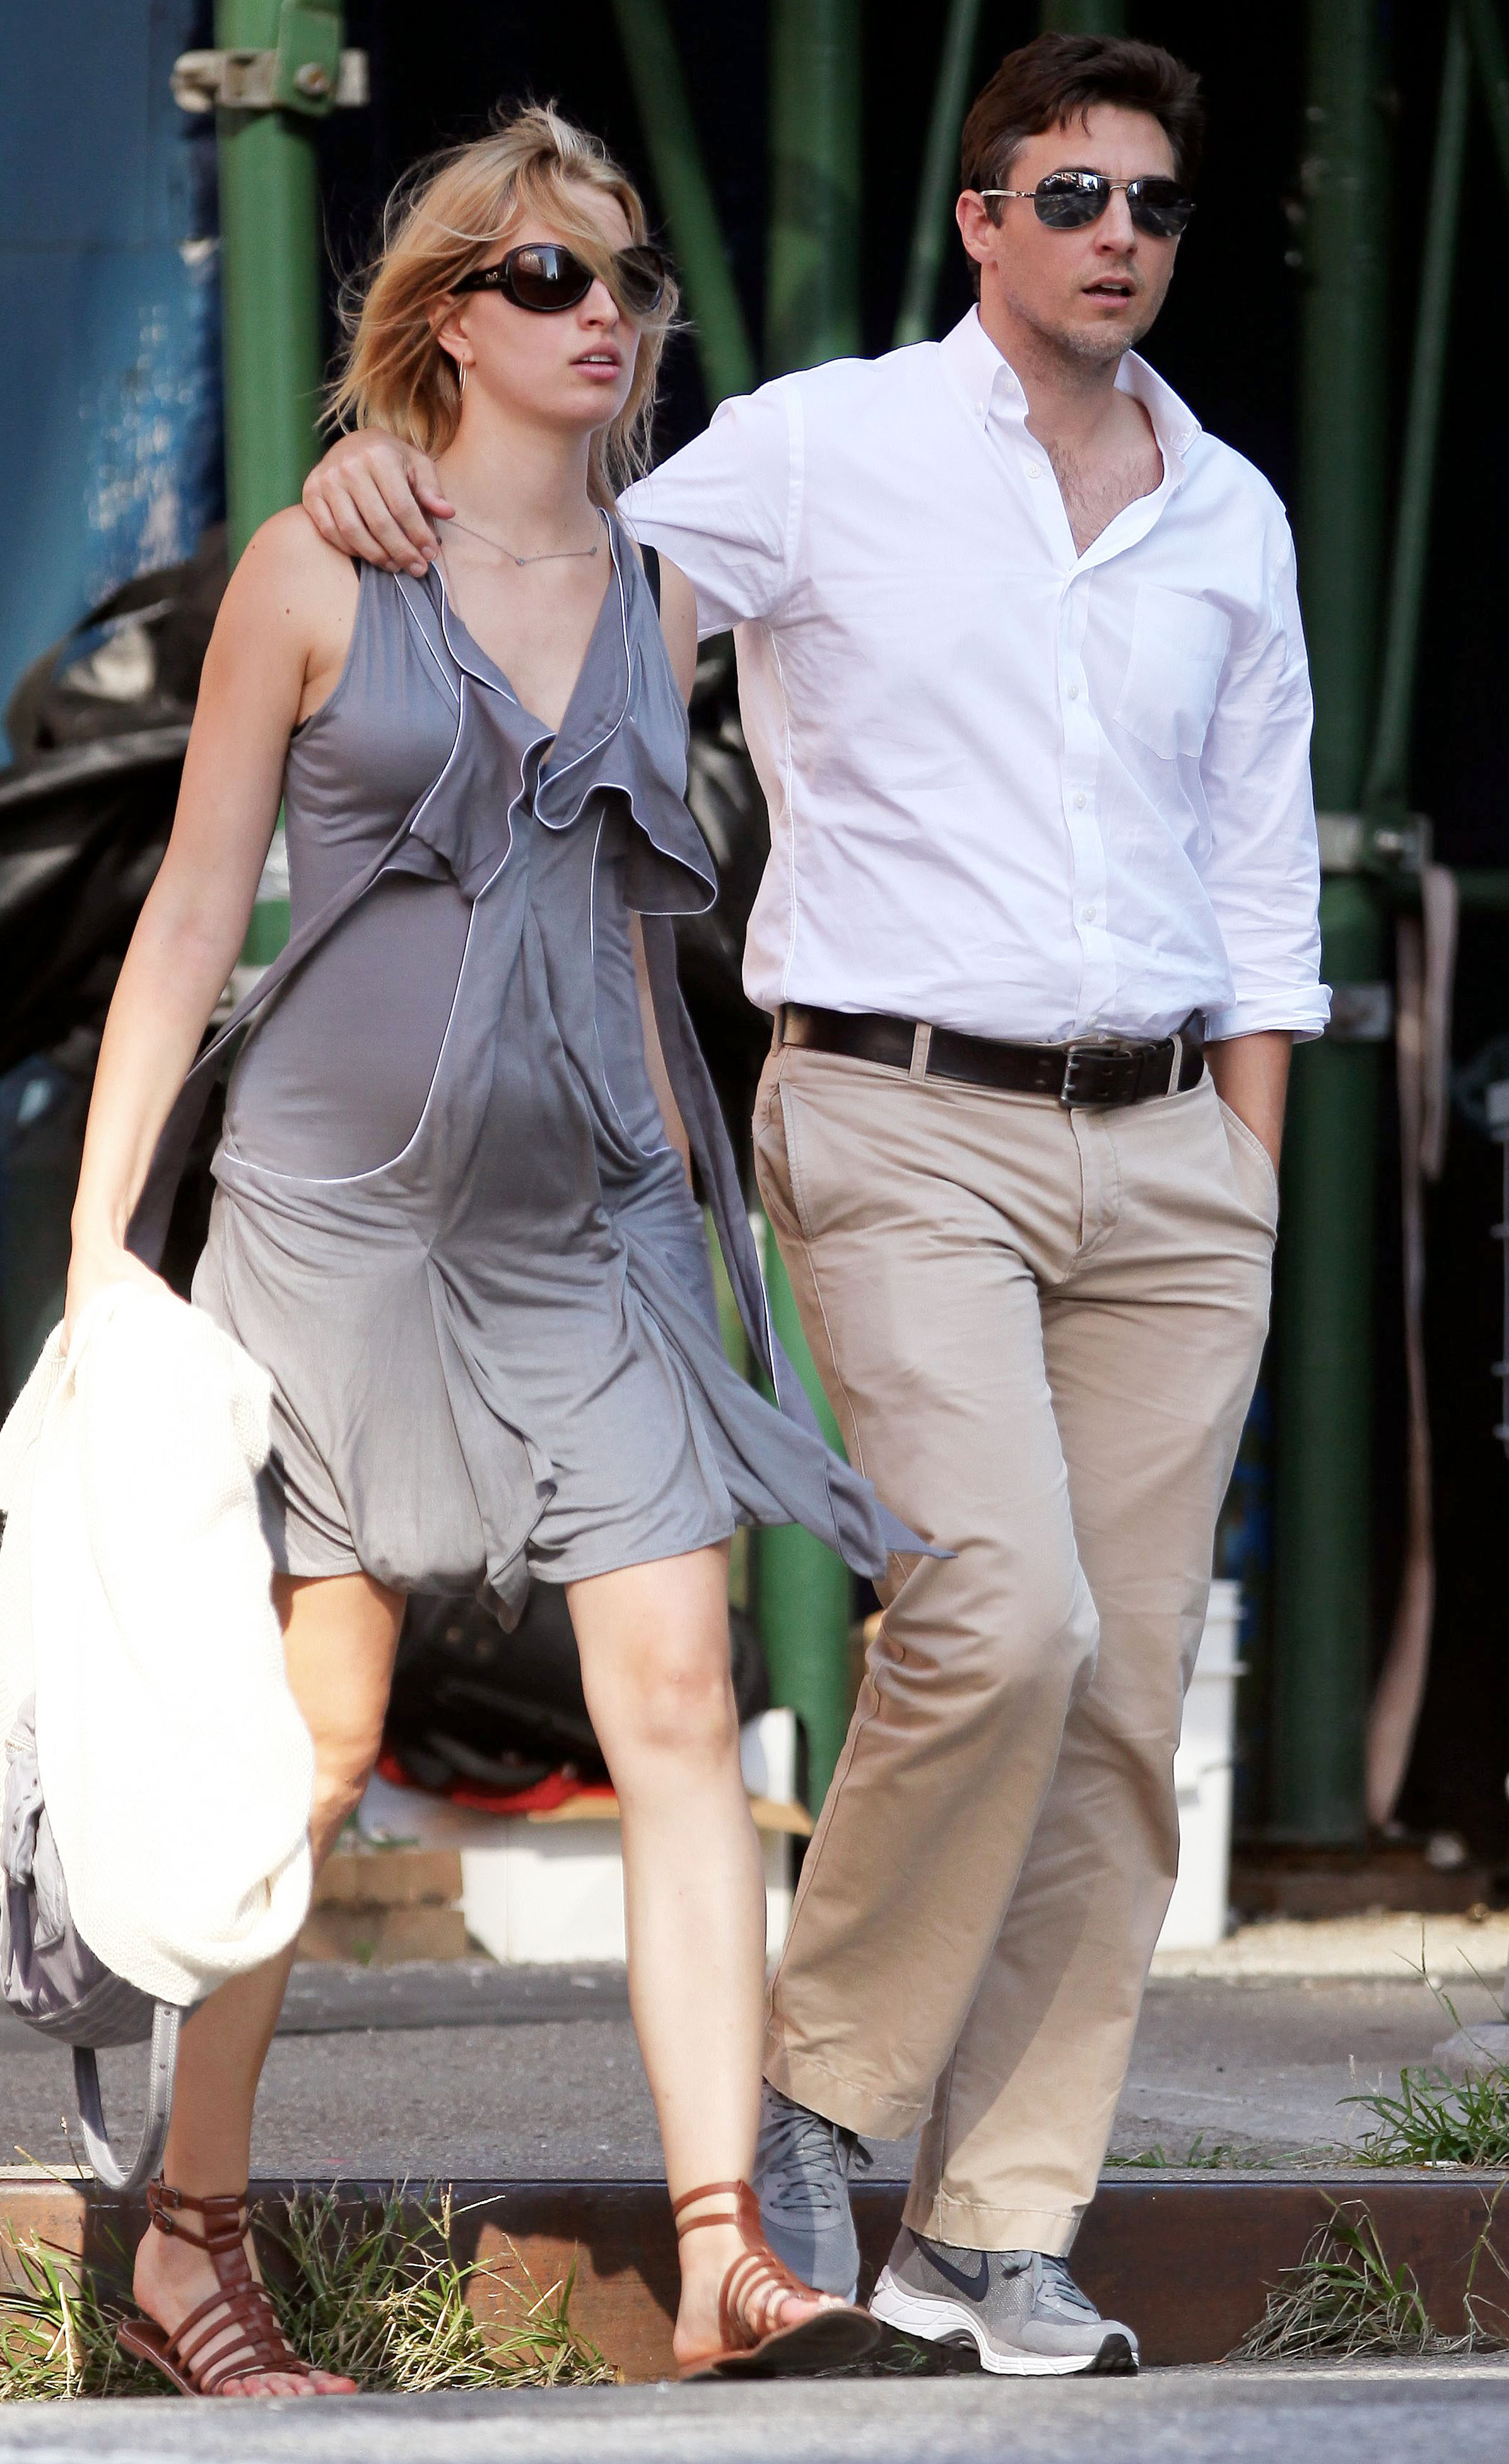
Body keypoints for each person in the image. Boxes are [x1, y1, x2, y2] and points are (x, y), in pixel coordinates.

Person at [303, 33, 1328, 2376]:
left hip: (1178, 1150)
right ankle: (819, 2098)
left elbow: (1265, 878)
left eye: (1156, 206)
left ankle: (994, 2225)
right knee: (1000, 1615)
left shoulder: (1233, 513)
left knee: (1122, 1700)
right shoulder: (827, 442)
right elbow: (562, 549)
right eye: (1070, 195)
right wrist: (391, 467)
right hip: (898, 1114)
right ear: (983, 223)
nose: (1118, 237)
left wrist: (1248, 1178)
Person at [62, 103, 915, 2397]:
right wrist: (99, 1257)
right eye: (549, 275)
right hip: (335, 1231)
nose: (603, 312)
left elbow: (634, 919)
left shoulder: (657, 584)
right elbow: (191, 917)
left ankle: (731, 2253)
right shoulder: (315, 564)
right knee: (316, 1739)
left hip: (588, 1218)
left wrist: (689, 1203)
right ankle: (185, 2246)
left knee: (678, 1699)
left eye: (628, 277)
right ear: (448, 319)